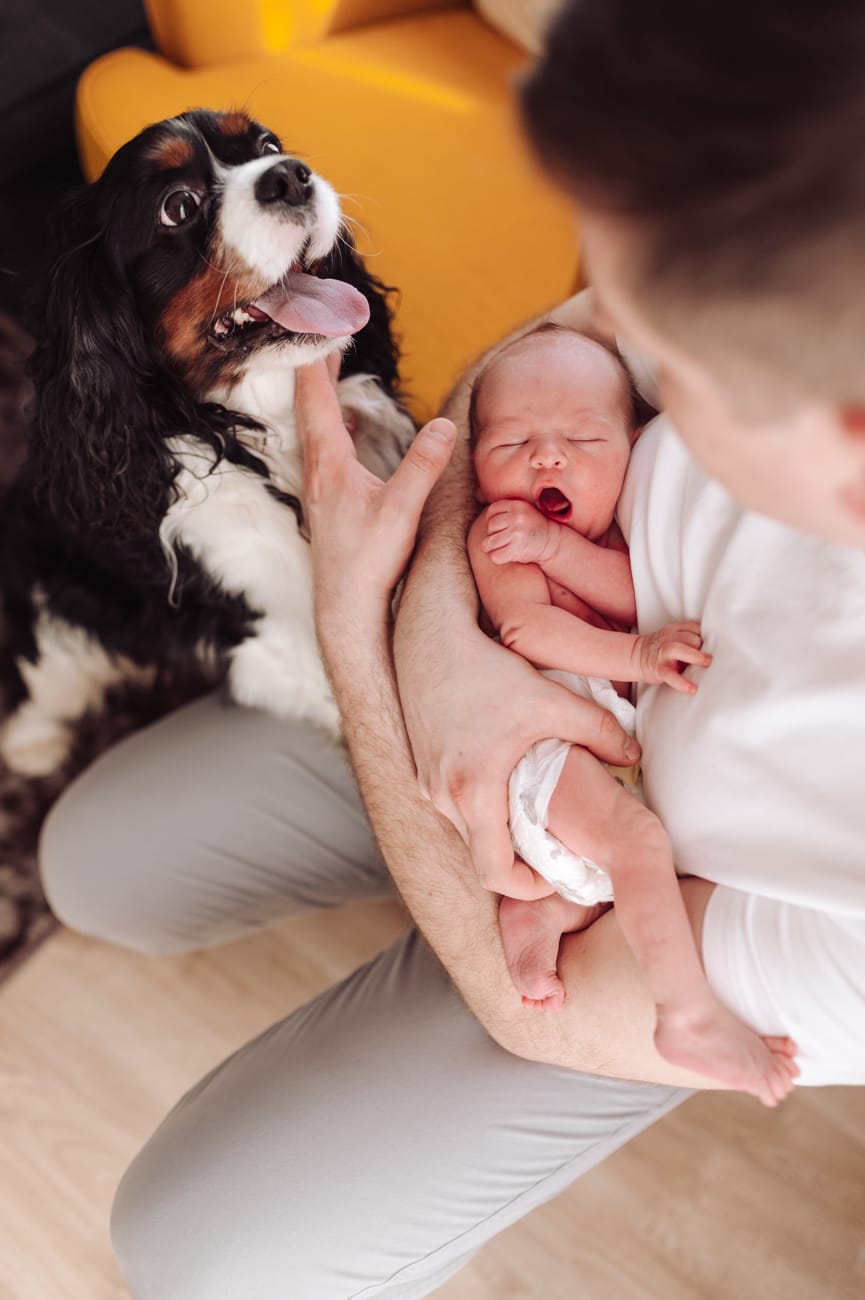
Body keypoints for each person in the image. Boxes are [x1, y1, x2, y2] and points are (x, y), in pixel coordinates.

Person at [38, 1, 865, 1296]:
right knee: (95, 865)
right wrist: (444, 643)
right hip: (469, 613)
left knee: (198, 1252)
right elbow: (553, 350)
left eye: (678, 376)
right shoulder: (796, 219)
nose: (632, 380)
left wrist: (377, 665)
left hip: (603, 861)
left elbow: (546, 994)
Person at [466, 323, 797, 1107]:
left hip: (600, 759)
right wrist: (638, 656)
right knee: (639, 844)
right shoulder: (499, 534)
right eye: (511, 443)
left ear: (632, 446)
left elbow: (635, 596)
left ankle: (541, 913)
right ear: (473, 466)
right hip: (538, 749)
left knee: (642, 856)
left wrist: (568, 554)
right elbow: (528, 629)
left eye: (581, 438)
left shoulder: (625, 532)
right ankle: (684, 1015)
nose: (546, 458)